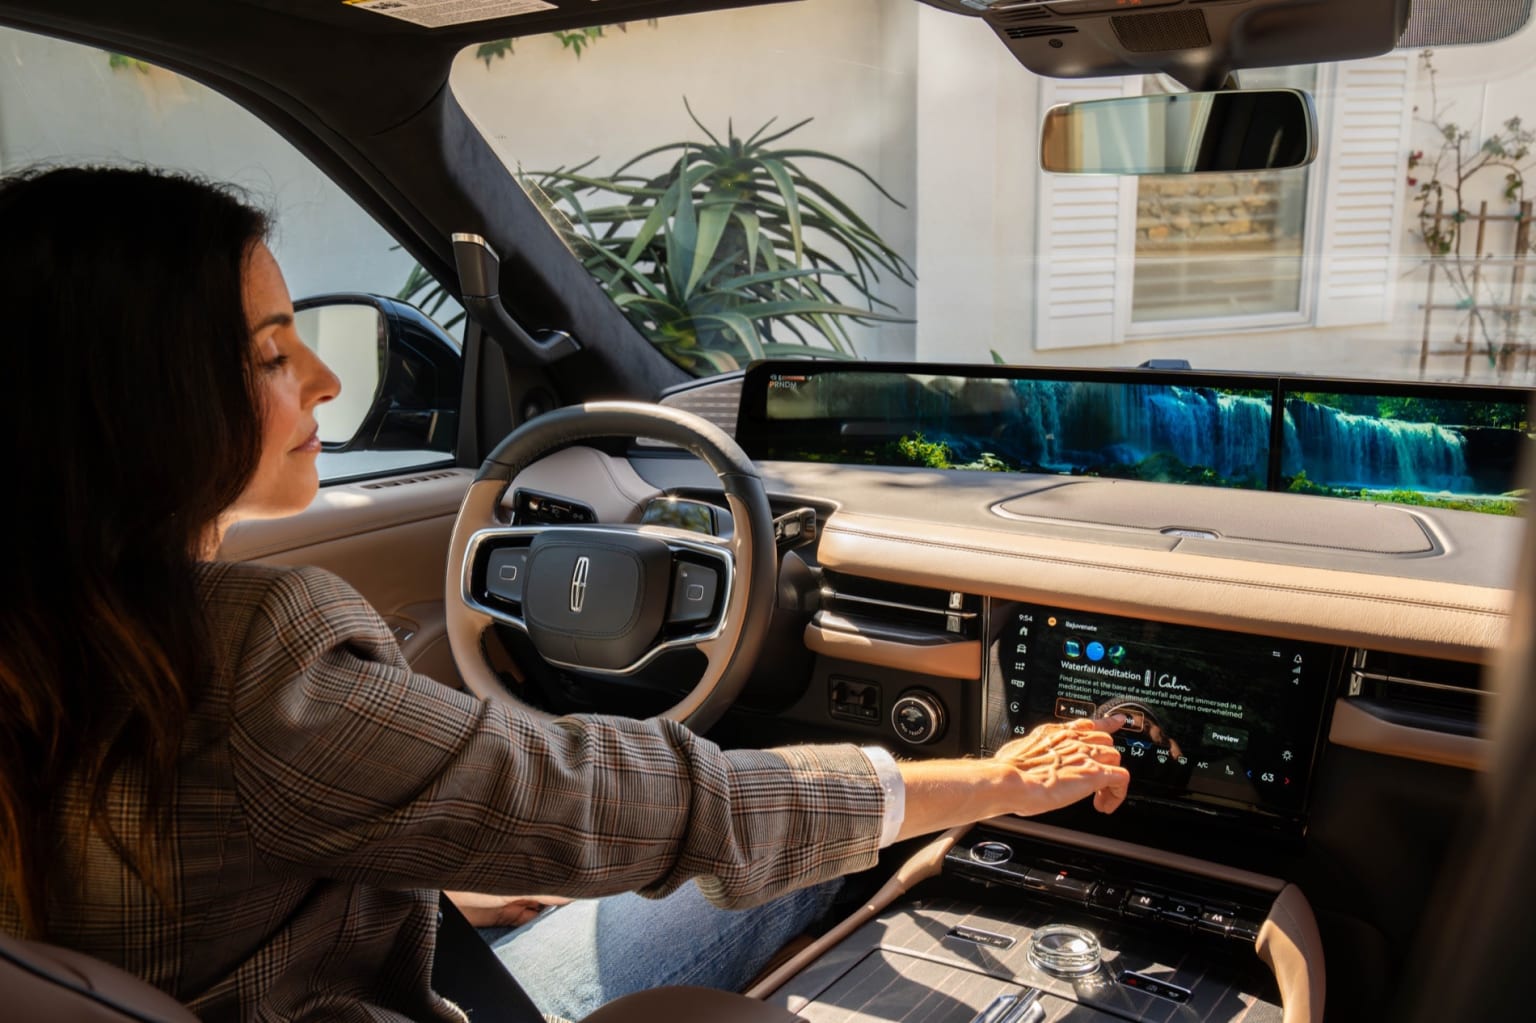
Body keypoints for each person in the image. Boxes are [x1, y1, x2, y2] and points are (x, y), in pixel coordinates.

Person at [0, 166, 1130, 1022]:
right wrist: (990, 781)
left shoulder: (50, 640)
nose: (329, 381)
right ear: (140, 400)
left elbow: (231, 864)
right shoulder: (247, 655)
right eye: (270, 355)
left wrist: (434, 887)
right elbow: (654, 808)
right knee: (777, 875)